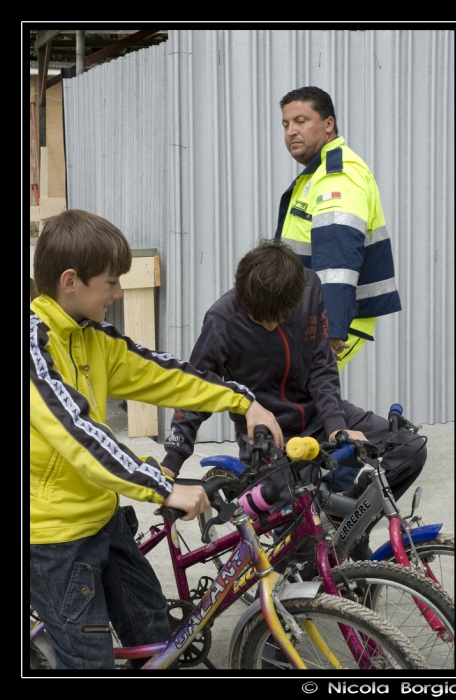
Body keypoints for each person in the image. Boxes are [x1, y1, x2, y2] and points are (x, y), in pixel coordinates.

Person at [30, 210, 283, 670]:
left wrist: (245, 402)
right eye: (110, 282)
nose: (118, 291)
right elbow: (82, 438)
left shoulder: (93, 338)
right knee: (91, 664)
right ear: (71, 281)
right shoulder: (35, 349)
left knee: (161, 643)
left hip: (102, 520)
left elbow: (166, 375)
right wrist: (164, 485)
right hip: (54, 542)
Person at [161, 239, 426, 578]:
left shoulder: (310, 288)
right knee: (302, 556)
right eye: (261, 320)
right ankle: (283, 617)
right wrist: (171, 463)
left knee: (409, 448)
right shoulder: (221, 322)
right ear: (236, 287)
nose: (272, 327)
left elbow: (321, 362)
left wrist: (334, 422)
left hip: (321, 415)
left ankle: (345, 519)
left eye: (280, 319)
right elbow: (194, 395)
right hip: (270, 438)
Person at [275, 86, 401, 371]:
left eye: (301, 121)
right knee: (303, 402)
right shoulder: (317, 174)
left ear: (328, 124)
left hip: (330, 319)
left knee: (304, 402)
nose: (291, 131)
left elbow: (337, 260)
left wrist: (328, 331)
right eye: (286, 124)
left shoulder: (338, 176)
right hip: (311, 313)